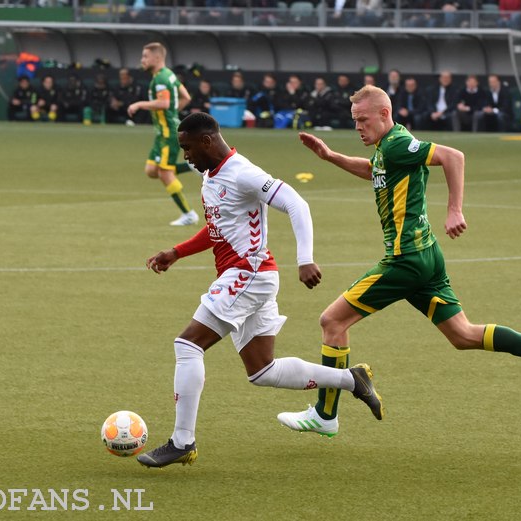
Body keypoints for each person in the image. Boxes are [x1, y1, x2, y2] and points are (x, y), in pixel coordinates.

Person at [277, 85, 521, 436]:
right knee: (463, 335)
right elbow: (376, 171)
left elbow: (453, 156)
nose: (358, 126)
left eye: (363, 119)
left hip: (406, 260)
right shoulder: (390, 147)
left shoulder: (398, 143)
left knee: (332, 322)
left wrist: (454, 209)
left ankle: (326, 416)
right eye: (354, 120)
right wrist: (331, 157)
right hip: (427, 257)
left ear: (385, 114)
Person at [136, 113, 383, 468]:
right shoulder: (211, 175)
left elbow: (296, 203)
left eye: (188, 148)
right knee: (262, 371)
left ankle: (182, 441)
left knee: (188, 344)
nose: (185, 156)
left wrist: (306, 258)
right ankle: (351, 378)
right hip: (252, 276)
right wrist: (177, 251)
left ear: (206, 141)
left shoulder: (243, 172)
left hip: (248, 273)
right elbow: (217, 226)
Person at [127, 42, 199, 226]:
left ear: (157, 57)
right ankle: (191, 167)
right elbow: (186, 97)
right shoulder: (169, 75)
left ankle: (188, 214)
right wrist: (174, 114)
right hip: (163, 133)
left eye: (145, 56)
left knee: (165, 173)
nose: (142, 60)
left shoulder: (160, 79)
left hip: (168, 133)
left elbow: (164, 104)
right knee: (151, 171)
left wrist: (139, 104)